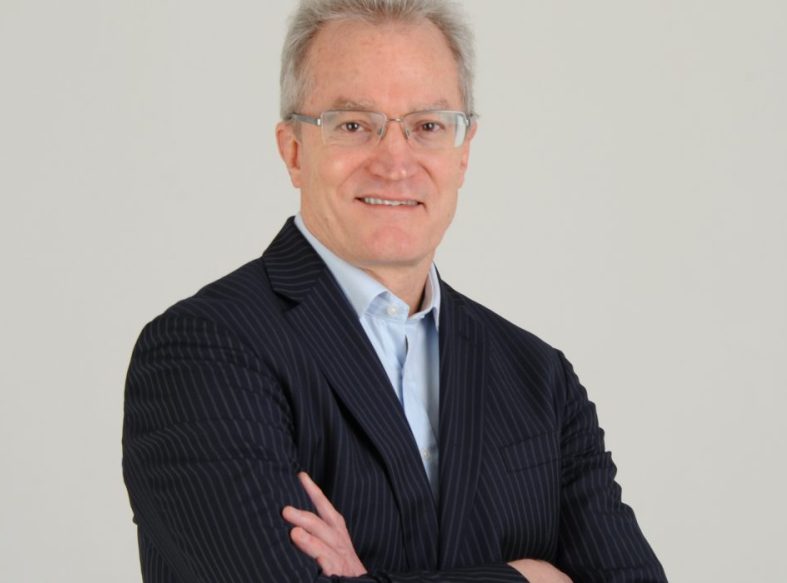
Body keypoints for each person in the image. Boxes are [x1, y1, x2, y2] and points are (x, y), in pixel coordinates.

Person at [121, 1, 666, 581]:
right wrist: (528, 577)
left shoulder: (539, 377)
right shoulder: (200, 354)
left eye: (428, 126)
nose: (395, 160)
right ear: (294, 151)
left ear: (463, 152)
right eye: (354, 125)